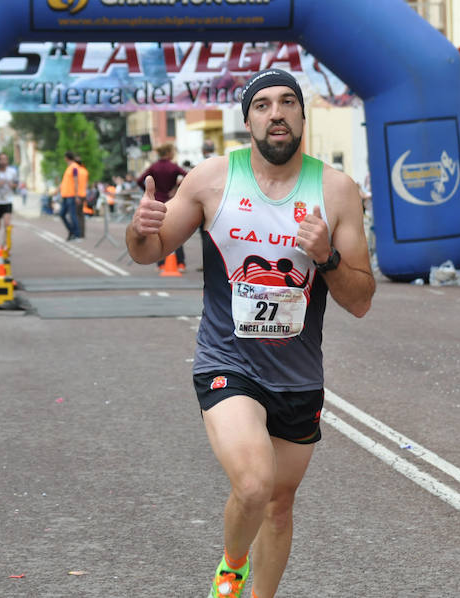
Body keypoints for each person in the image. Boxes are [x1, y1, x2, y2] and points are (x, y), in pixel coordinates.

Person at [126, 68, 374, 598]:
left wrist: (326, 256)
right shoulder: (212, 179)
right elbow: (149, 252)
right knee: (255, 484)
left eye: (288, 102)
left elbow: (360, 301)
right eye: (263, 105)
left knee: (279, 505)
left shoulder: (336, 190)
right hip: (227, 362)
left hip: (299, 373)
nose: (277, 113)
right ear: (248, 120)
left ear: (303, 116)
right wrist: (139, 226)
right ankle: (232, 567)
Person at [137, 143, 188, 271]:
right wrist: (177, 188)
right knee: (177, 232)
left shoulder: (154, 167)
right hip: (172, 201)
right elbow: (189, 177)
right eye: (173, 151)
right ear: (168, 153)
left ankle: (160, 264)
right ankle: (181, 263)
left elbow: (139, 180)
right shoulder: (174, 166)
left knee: (158, 233)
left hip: (157, 201)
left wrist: (150, 191)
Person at [59, 151, 86, 240]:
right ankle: (72, 231)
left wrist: (77, 195)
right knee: (62, 214)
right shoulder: (70, 168)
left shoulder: (74, 168)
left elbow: (76, 181)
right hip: (66, 195)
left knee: (73, 215)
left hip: (71, 195)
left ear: (66, 158)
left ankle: (76, 234)